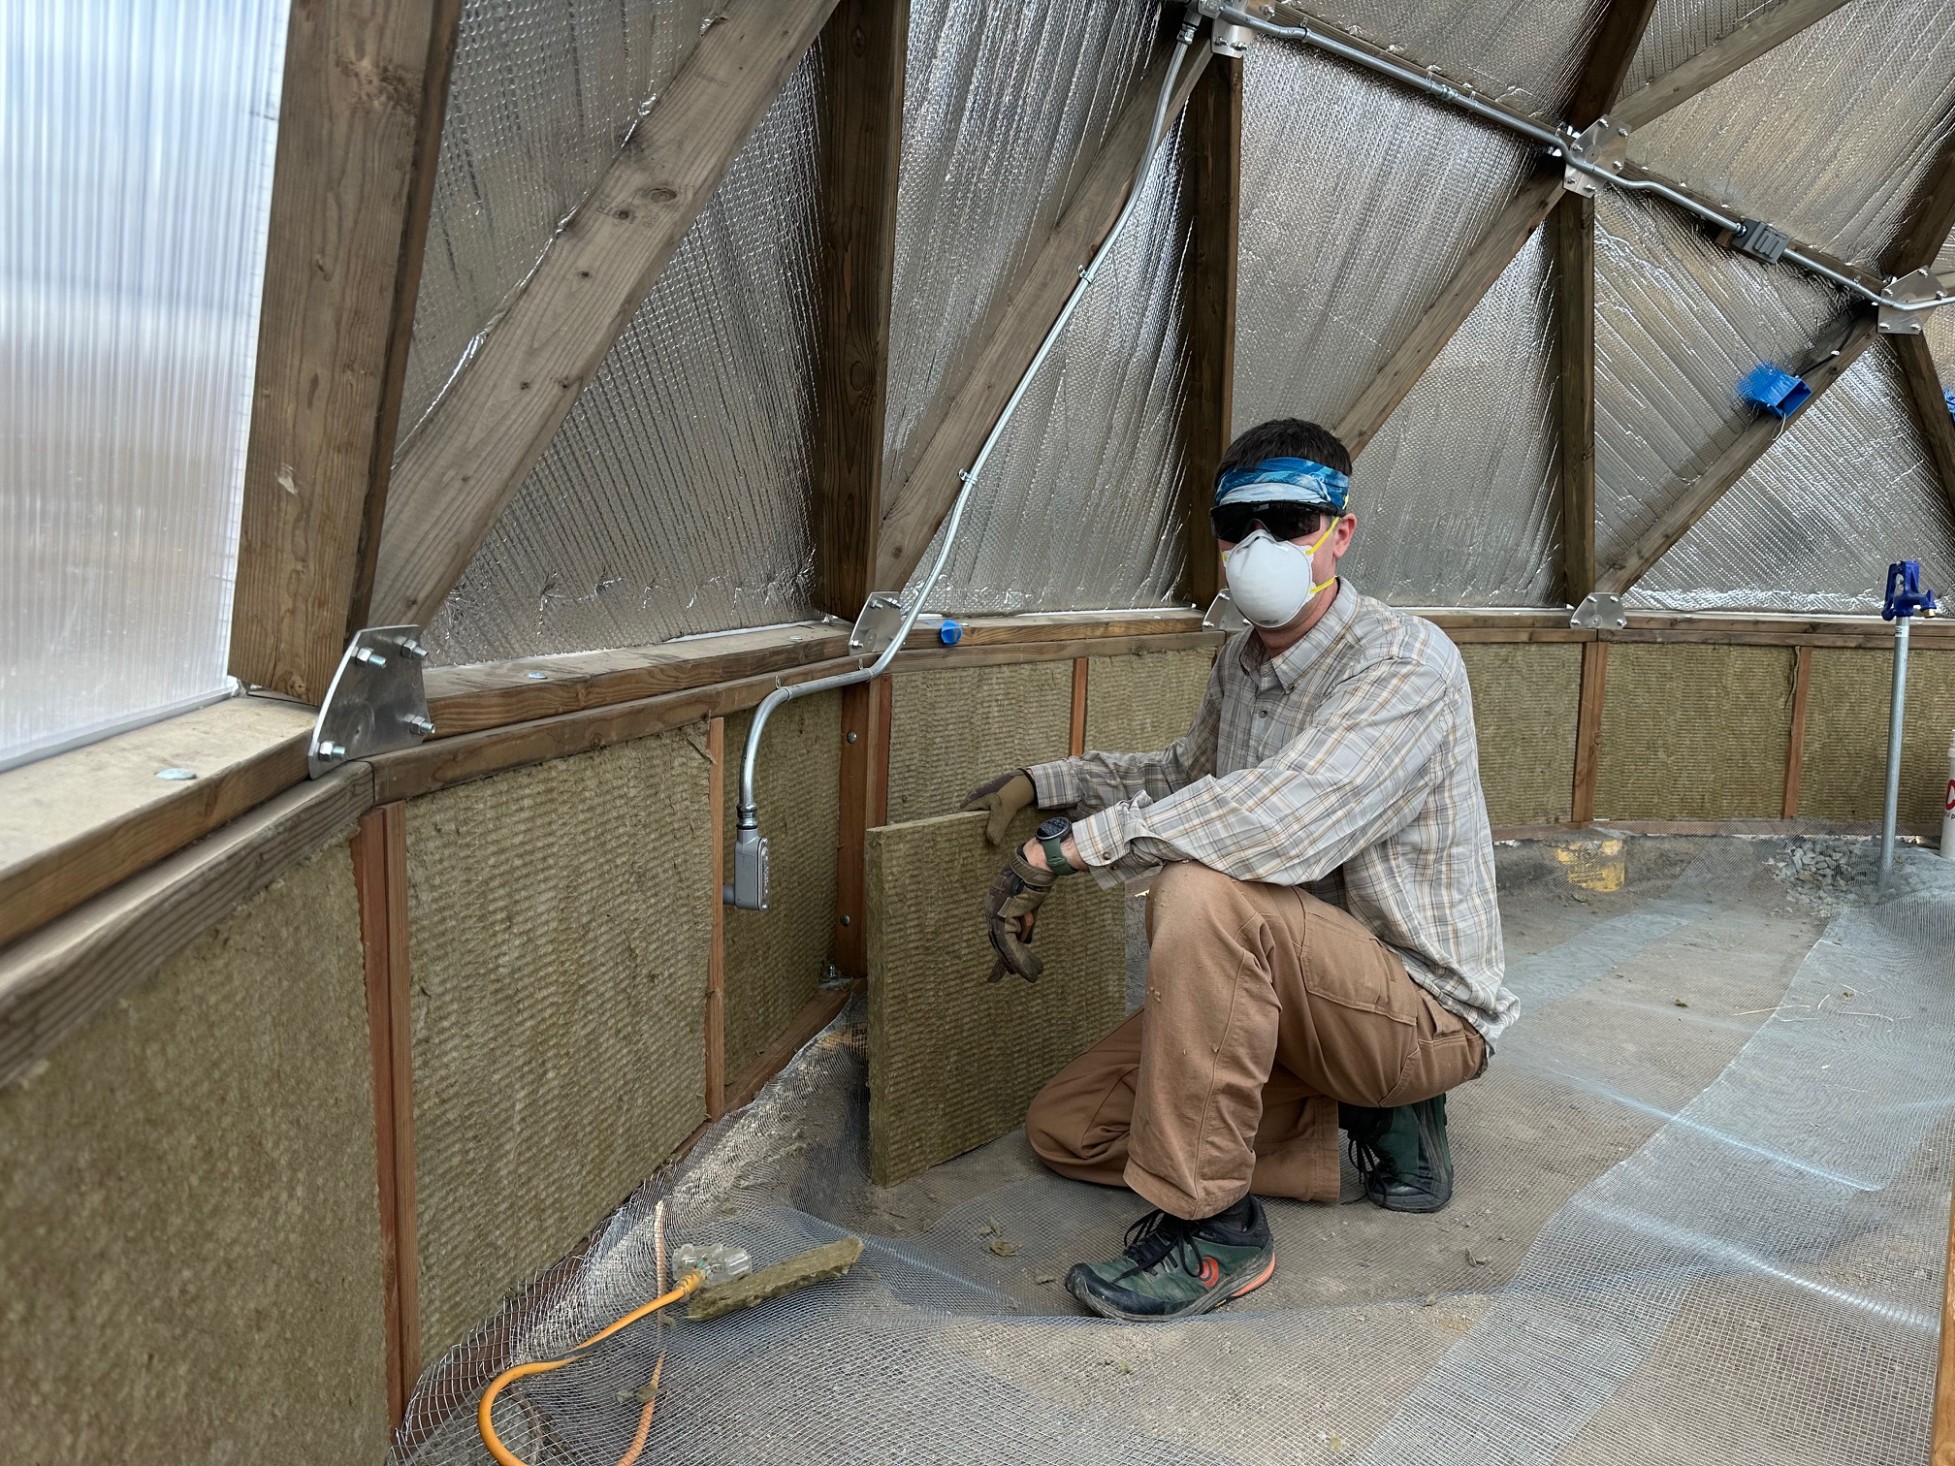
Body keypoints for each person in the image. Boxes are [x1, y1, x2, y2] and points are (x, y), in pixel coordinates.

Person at [962, 418, 1515, 1323]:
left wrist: (1059, 854)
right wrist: (1048, 785)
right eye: (1237, 524)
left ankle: (1217, 1230)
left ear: (1340, 532)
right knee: (1069, 1130)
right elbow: (1188, 778)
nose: (1259, 545)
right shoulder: (1242, 661)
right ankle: (1358, 1122)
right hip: (1296, 995)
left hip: (1419, 1009)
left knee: (1202, 891)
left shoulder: (1407, 663)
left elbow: (1280, 822)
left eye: (1288, 519)